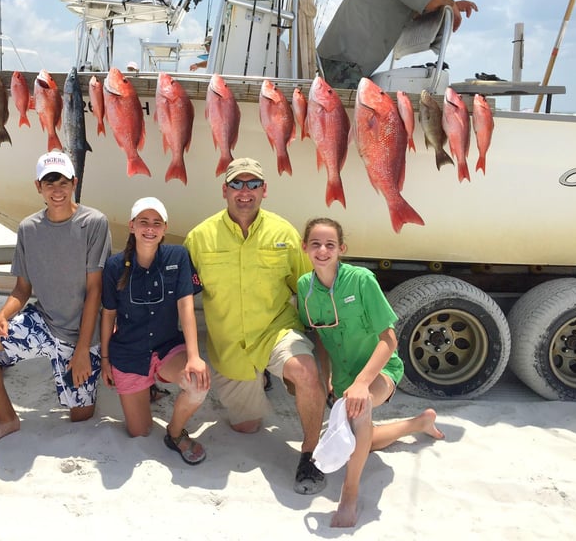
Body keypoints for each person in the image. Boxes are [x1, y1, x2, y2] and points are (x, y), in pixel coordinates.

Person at [184, 157, 328, 494]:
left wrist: (328, 358)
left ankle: (310, 456)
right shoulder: (199, 238)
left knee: (305, 373)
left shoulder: (285, 233)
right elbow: (182, 300)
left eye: (252, 184)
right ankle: (261, 378)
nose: (244, 191)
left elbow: (309, 292)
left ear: (265, 190)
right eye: (236, 183)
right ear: (224, 190)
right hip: (230, 346)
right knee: (247, 427)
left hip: (276, 331)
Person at [297, 217, 445, 527]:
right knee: (362, 440)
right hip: (342, 378)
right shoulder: (304, 288)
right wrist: (326, 377)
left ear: (341, 249)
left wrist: (363, 383)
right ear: (304, 248)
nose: (322, 250)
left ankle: (349, 496)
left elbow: (388, 339)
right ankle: (419, 423)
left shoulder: (361, 280)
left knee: (359, 410)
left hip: (379, 371)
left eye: (330, 244)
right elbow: (321, 338)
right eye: (316, 244)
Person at [0, 150, 112, 449]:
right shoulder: (28, 228)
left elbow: (96, 290)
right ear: (38, 187)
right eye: (49, 182)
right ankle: (6, 418)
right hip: (42, 322)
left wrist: (82, 349)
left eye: (63, 182)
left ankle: (6, 363)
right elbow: (21, 289)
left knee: (81, 415)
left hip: (80, 334)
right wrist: (2, 315)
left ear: (74, 182)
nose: (57, 190)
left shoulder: (95, 222)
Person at [100, 197, 210, 464]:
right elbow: (108, 314)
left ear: (164, 227)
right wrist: (105, 360)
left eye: (156, 223)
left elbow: (186, 307)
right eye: (143, 222)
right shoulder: (115, 266)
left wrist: (194, 356)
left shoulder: (178, 256)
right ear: (132, 226)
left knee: (197, 385)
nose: (150, 228)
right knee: (140, 432)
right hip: (129, 353)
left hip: (167, 347)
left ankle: (173, 433)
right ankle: (147, 389)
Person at [317, 0, 478, 88]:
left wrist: (452, 3)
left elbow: (417, 12)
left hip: (329, 61)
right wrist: (453, 5)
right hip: (343, 66)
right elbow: (433, 0)